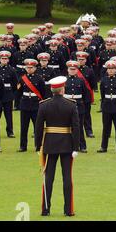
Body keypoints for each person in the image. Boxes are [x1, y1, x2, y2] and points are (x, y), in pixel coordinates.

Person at [35, 76, 80, 217]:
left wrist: (38, 146)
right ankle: (68, 210)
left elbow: (38, 127)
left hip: (49, 145)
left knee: (48, 178)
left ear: (51, 89)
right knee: (67, 178)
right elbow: (76, 127)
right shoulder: (71, 104)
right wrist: (76, 147)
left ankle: (45, 209)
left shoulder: (44, 105)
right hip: (67, 144)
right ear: (63, 89)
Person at [17, 59, 46, 152]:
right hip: (25, 104)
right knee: (24, 127)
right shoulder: (22, 78)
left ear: (35, 68)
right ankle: (23, 146)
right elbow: (19, 92)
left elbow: (43, 92)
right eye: (27, 67)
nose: (29, 69)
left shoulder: (40, 78)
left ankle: (38, 146)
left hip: (36, 105)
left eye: (31, 68)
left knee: (37, 127)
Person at [98, 60, 116, 154]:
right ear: (107, 70)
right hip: (107, 105)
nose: (111, 71)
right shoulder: (104, 80)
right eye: (109, 69)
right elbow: (102, 94)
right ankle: (103, 146)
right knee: (105, 128)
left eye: (112, 69)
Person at [0, 51, 19, 138]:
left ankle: (10, 132)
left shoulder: (12, 70)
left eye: (6, 59)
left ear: (8, 60)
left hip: (8, 94)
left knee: (8, 115)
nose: (4, 60)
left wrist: (12, 93)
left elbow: (15, 83)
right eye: (2, 59)